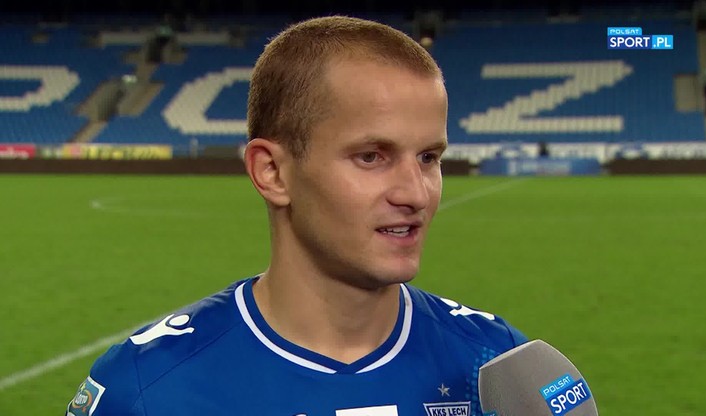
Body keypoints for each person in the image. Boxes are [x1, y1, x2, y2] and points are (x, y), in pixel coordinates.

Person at [66, 16, 527, 416]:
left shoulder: (499, 363)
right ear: (272, 173)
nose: (416, 193)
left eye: (428, 157)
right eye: (371, 156)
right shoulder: (144, 390)